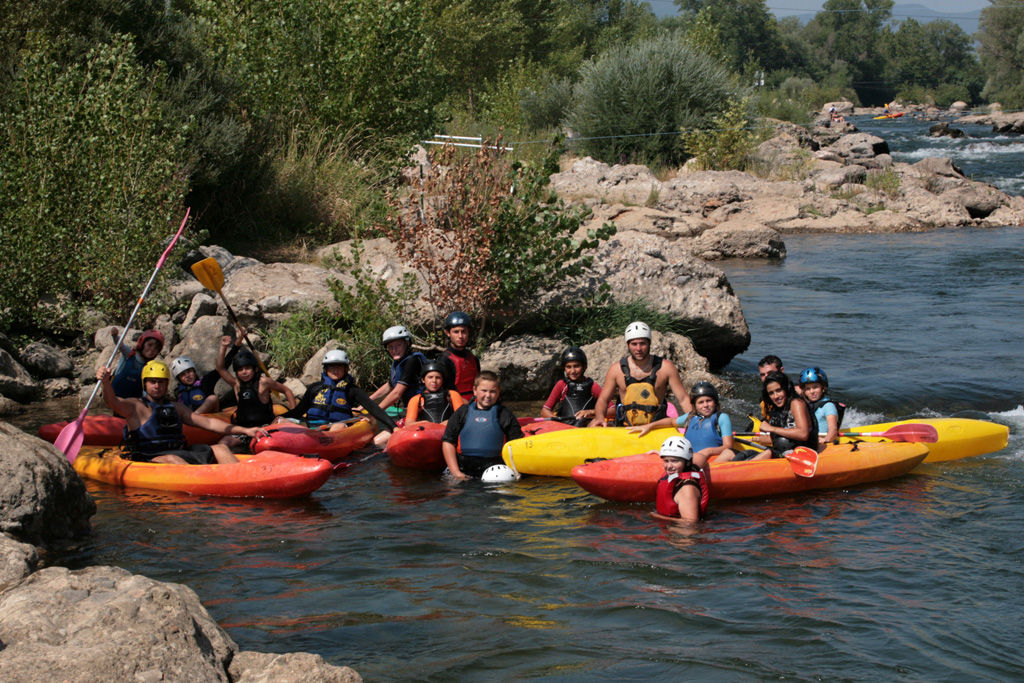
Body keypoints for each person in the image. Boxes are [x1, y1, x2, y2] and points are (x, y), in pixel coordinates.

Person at [96, 361, 263, 465]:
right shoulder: (135, 406)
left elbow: (209, 423)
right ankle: (203, 484)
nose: (157, 386)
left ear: (167, 384)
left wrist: (245, 430)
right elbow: (112, 402)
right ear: (145, 384)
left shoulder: (176, 407)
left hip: (179, 451)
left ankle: (240, 477)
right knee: (172, 460)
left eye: (161, 382)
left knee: (220, 448)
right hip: (149, 456)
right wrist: (105, 382)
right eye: (153, 382)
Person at [277, 348, 399, 439]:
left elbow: (374, 409)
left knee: (337, 427)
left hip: (337, 427)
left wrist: (393, 427)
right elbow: (298, 412)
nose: (335, 370)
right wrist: (279, 418)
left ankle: (323, 444)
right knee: (280, 420)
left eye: (339, 367)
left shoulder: (352, 390)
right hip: (311, 427)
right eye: (331, 367)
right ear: (325, 369)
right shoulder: (315, 388)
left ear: (346, 369)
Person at [589, 322, 692, 428]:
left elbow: (683, 399)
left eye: (642, 343)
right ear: (627, 345)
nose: (638, 348)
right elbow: (603, 400)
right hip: (625, 429)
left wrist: (695, 420)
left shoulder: (666, 368)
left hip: (657, 428)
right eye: (634, 344)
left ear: (649, 343)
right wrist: (600, 418)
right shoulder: (616, 370)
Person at [216, 332, 295, 449]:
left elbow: (287, 391)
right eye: (240, 369)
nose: (244, 372)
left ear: (255, 369)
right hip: (245, 431)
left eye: (247, 368)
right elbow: (220, 368)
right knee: (223, 443)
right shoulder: (236, 384)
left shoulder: (264, 382)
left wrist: (294, 413)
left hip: (266, 427)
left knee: (283, 422)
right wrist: (223, 347)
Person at [441, 371, 524, 479]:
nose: (488, 395)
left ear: (499, 392)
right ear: (474, 390)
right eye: (484, 390)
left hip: (494, 472)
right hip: (463, 469)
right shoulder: (462, 412)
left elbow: (516, 445)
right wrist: (456, 473)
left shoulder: (505, 415)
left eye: (493, 391)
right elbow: (448, 441)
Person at [631, 381, 736, 463]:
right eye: (700, 402)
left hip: (712, 459)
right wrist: (649, 426)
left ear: (715, 402)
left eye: (709, 401)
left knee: (728, 453)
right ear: (694, 405)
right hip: (690, 458)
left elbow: (728, 446)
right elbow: (672, 421)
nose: (705, 405)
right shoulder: (691, 417)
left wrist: (708, 451)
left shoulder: (721, 418)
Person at [740, 371, 817, 462]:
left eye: (779, 390)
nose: (775, 396)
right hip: (781, 453)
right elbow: (779, 438)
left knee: (768, 453)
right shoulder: (777, 408)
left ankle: (739, 472)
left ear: (786, 389)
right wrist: (754, 439)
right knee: (736, 453)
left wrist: (771, 428)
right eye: (771, 393)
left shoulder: (796, 403)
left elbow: (803, 434)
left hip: (801, 454)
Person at [370, 325, 427, 411]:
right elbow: (390, 385)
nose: (394, 350)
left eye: (398, 345)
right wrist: (365, 403)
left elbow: (397, 393)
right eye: (390, 347)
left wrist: (375, 413)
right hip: (411, 407)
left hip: (424, 407)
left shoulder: (413, 360)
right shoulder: (398, 363)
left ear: (407, 343)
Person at [541, 347, 602, 426]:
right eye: (568, 367)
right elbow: (545, 410)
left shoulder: (593, 386)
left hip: (587, 426)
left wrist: (590, 412)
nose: (573, 371)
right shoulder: (561, 385)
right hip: (565, 427)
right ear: (564, 368)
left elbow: (613, 409)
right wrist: (555, 419)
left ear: (584, 367)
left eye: (576, 366)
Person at [655, 436, 709, 522]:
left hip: (679, 533)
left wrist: (657, 517)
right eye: (666, 461)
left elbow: (690, 526)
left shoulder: (687, 489)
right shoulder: (678, 472)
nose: (669, 466)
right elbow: (701, 457)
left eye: (675, 461)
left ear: (687, 462)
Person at [170, 351, 237, 414]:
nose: (187, 376)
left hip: (207, 418)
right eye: (183, 375)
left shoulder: (205, 382)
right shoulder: (177, 391)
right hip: (187, 420)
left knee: (213, 398)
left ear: (194, 371)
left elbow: (222, 366)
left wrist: (236, 345)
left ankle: (194, 417)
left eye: (189, 371)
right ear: (179, 379)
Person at [108, 328, 164, 399]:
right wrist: (115, 336)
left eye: (156, 348)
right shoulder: (129, 353)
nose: (152, 349)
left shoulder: (150, 367)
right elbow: (120, 344)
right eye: (150, 345)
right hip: (114, 397)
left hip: (132, 403)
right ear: (141, 343)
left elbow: (145, 390)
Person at [438, 311, 480, 402]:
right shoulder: (444, 360)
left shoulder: (473, 358)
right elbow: (447, 392)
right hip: (456, 405)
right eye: (456, 332)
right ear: (448, 333)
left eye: (464, 332)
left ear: (468, 332)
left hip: (476, 402)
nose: (460, 336)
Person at [799, 367, 844, 446]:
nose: (812, 391)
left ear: (823, 387)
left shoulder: (828, 406)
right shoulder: (804, 404)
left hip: (822, 442)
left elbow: (833, 429)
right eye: (808, 389)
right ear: (804, 391)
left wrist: (825, 440)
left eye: (815, 387)